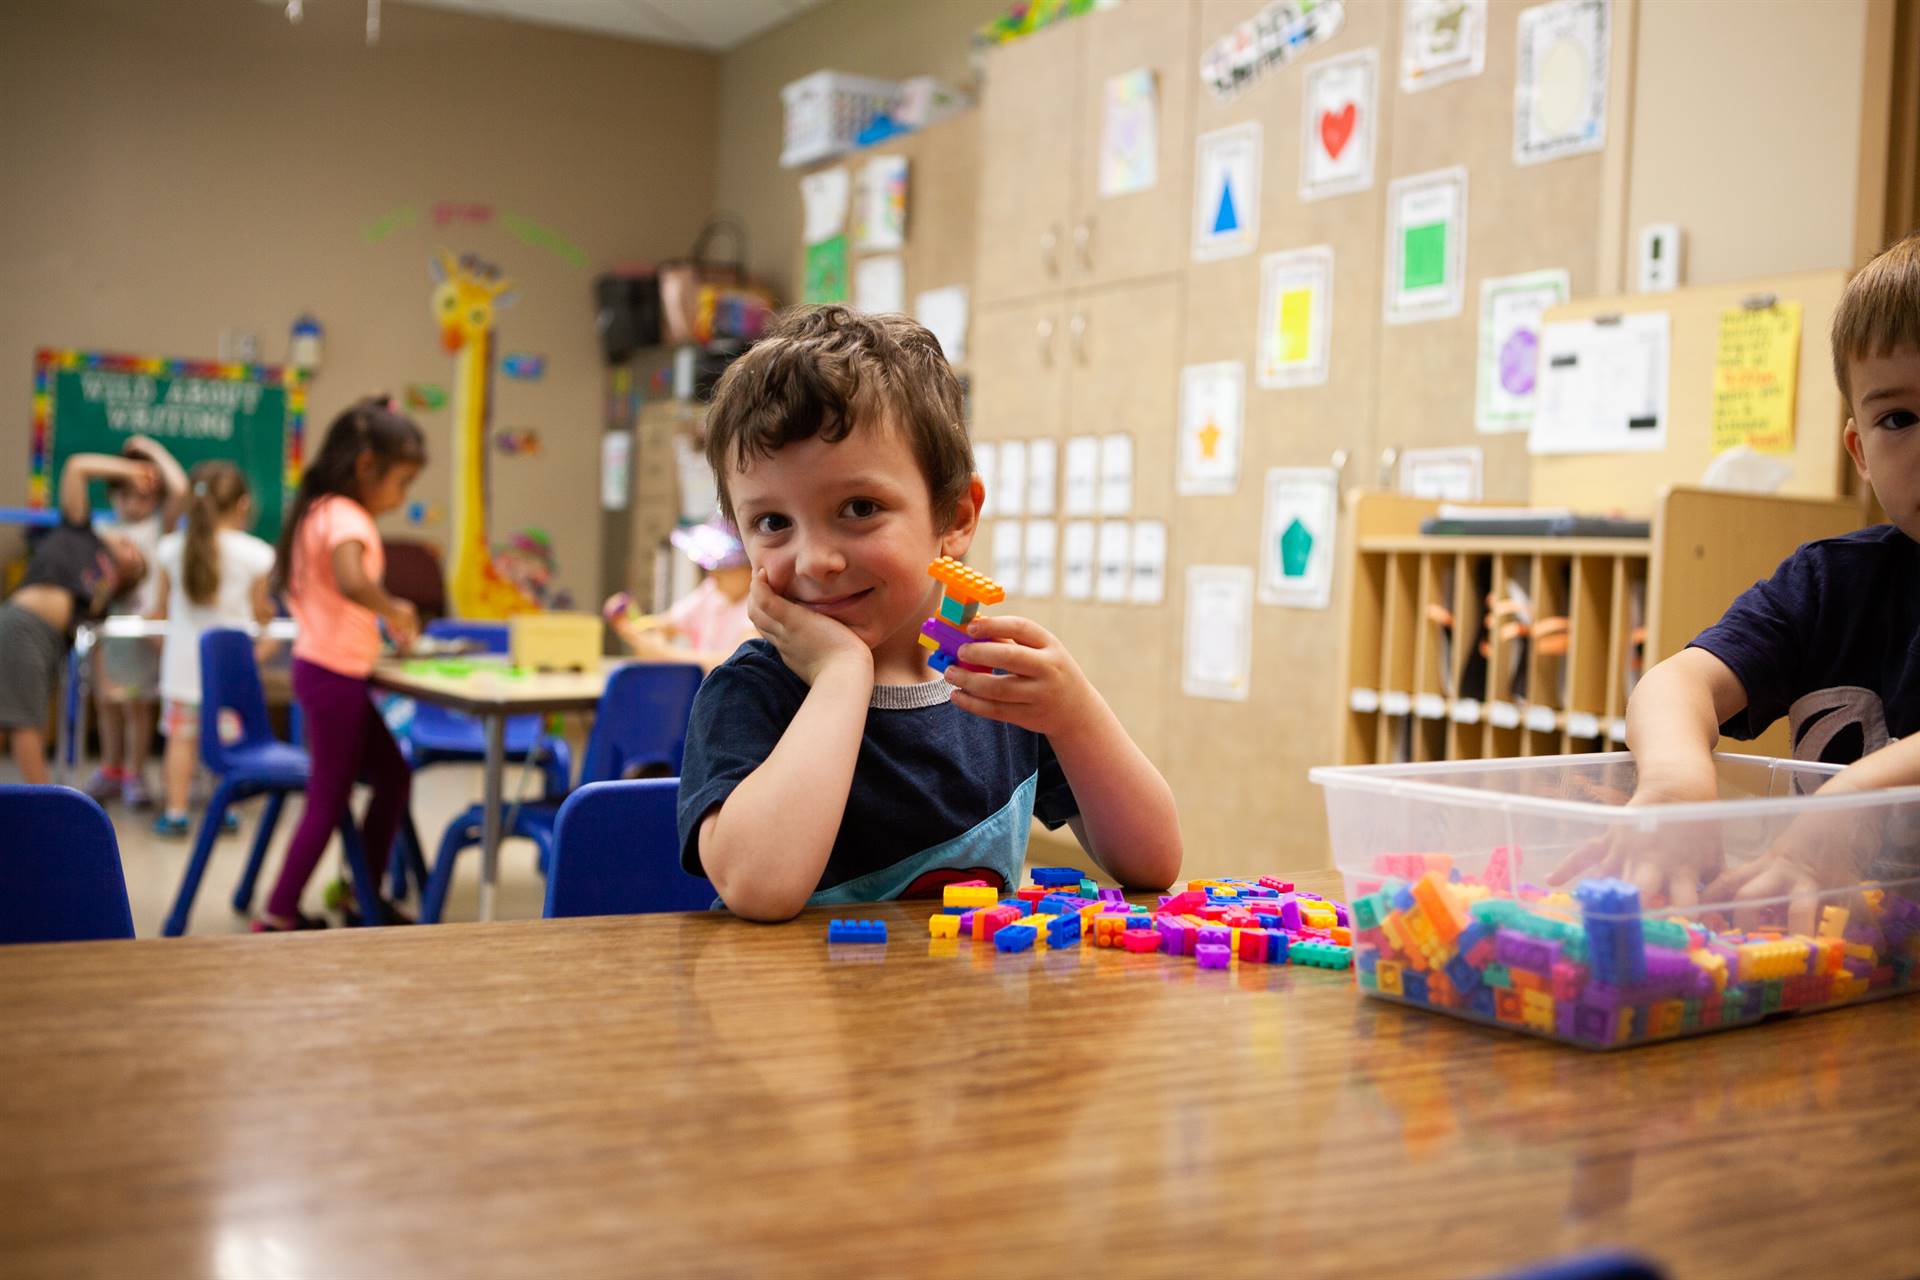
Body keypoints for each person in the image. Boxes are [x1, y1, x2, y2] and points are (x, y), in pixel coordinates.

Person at [676, 306, 1183, 921]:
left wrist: (1074, 716)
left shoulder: (995, 686)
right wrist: (841, 673)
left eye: (859, 507)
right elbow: (758, 889)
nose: (815, 560)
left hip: (964, 1013)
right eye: (773, 523)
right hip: (799, 1015)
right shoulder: (748, 693)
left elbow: (1153, 864)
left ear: (955, 517)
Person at [1552, 231, 1920, 929]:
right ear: (1861, 452)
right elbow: (1677, 683)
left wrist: (1844, 807)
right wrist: (1675, 780)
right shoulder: (1829, 584)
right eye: (1898, 418)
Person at [256, 397, 424, 931]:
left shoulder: (319, 510)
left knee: (393, 776)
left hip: (332, 674)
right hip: (334, 679)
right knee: (327, 800)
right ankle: (279, 913)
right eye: (401, 482)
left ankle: (360, 894)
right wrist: (395, 608)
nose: (403, 497)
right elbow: (352, 581)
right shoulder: (348, 516)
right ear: (366, 468)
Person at [0, 452, 155, 785]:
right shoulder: (80, 532)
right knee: (23, 722)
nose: (128, 544)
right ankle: (44, 806)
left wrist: (108, 686)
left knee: (23, 718)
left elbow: (94, 645)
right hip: (23, 624)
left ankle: (40, 806)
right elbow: (76, 468)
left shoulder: (99, 598)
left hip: (48, 641)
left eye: (135, 556)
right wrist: (131, 471)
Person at [147, 461, 277, 838]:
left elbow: (159, 608)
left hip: (181, 669)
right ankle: (228, 810)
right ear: (242, 506)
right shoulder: (256, 554)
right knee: (227, 742)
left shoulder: (170, 548)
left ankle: (175, 812)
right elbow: (261, 613)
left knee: (180, 742)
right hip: (229, 676)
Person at [85, 435, 187, 808]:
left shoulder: (161, 529)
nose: (134, 504)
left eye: (143, 496)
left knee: (138, 706)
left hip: (146, 629)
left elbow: (179, 488)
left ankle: (135, 773)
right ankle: (111, 768)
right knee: (107, 701)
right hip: (110, 628)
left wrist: (152, 451)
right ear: (113, 496)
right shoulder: (102, 530)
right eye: (125, 495)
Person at [605, 511, 756, 672]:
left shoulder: (758, 609)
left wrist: (663, 654)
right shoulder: (711, 592)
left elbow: (735, 664)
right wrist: (630, 622)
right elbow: (664, 625)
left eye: (725, 566)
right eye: (711, 566)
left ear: (751, 566)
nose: (714, 574)